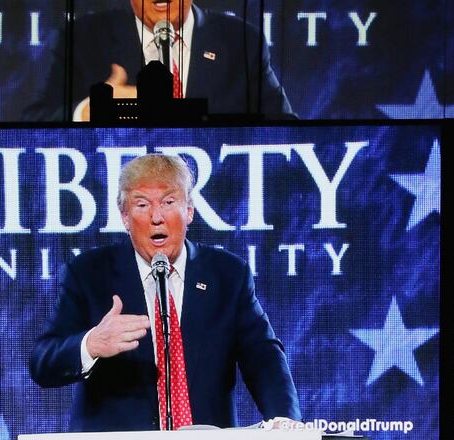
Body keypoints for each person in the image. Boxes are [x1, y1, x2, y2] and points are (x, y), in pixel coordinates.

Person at [29, 154, 301, 432]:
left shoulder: (228, 276)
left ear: (190, 210)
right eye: (142, 204)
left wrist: (286, 420)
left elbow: (264, 357)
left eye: (169, 202)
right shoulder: (89, 274)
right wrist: (90, 344)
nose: (156, 217)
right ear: (124, 216)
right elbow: (42, 362)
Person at [22, 0, 294, 121]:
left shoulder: (241, 42)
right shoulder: (83, 39)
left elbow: (287, 130)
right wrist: (86, 112)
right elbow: (33, 121)